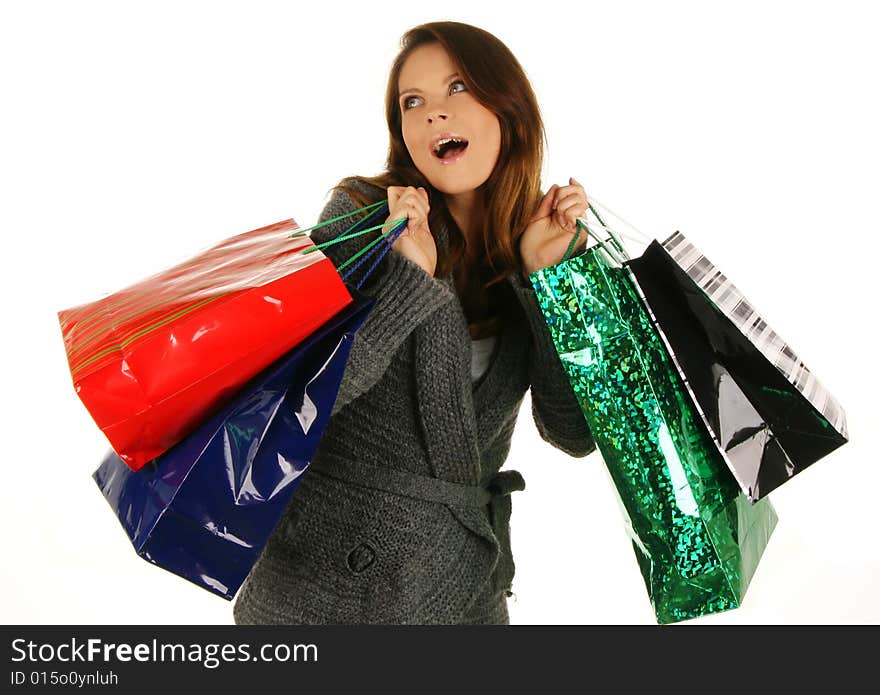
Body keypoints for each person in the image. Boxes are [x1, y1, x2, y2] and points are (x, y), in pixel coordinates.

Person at [233, 20, 595, 625]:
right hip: (321, 597)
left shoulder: (537, 242)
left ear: (509, 108)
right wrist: (407, 281)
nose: (433, 114)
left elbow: (572, 434)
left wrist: (549, 282)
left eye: (457, 88)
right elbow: (295, 405)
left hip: (463, 591)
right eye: (412, 101)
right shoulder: (362, 218)